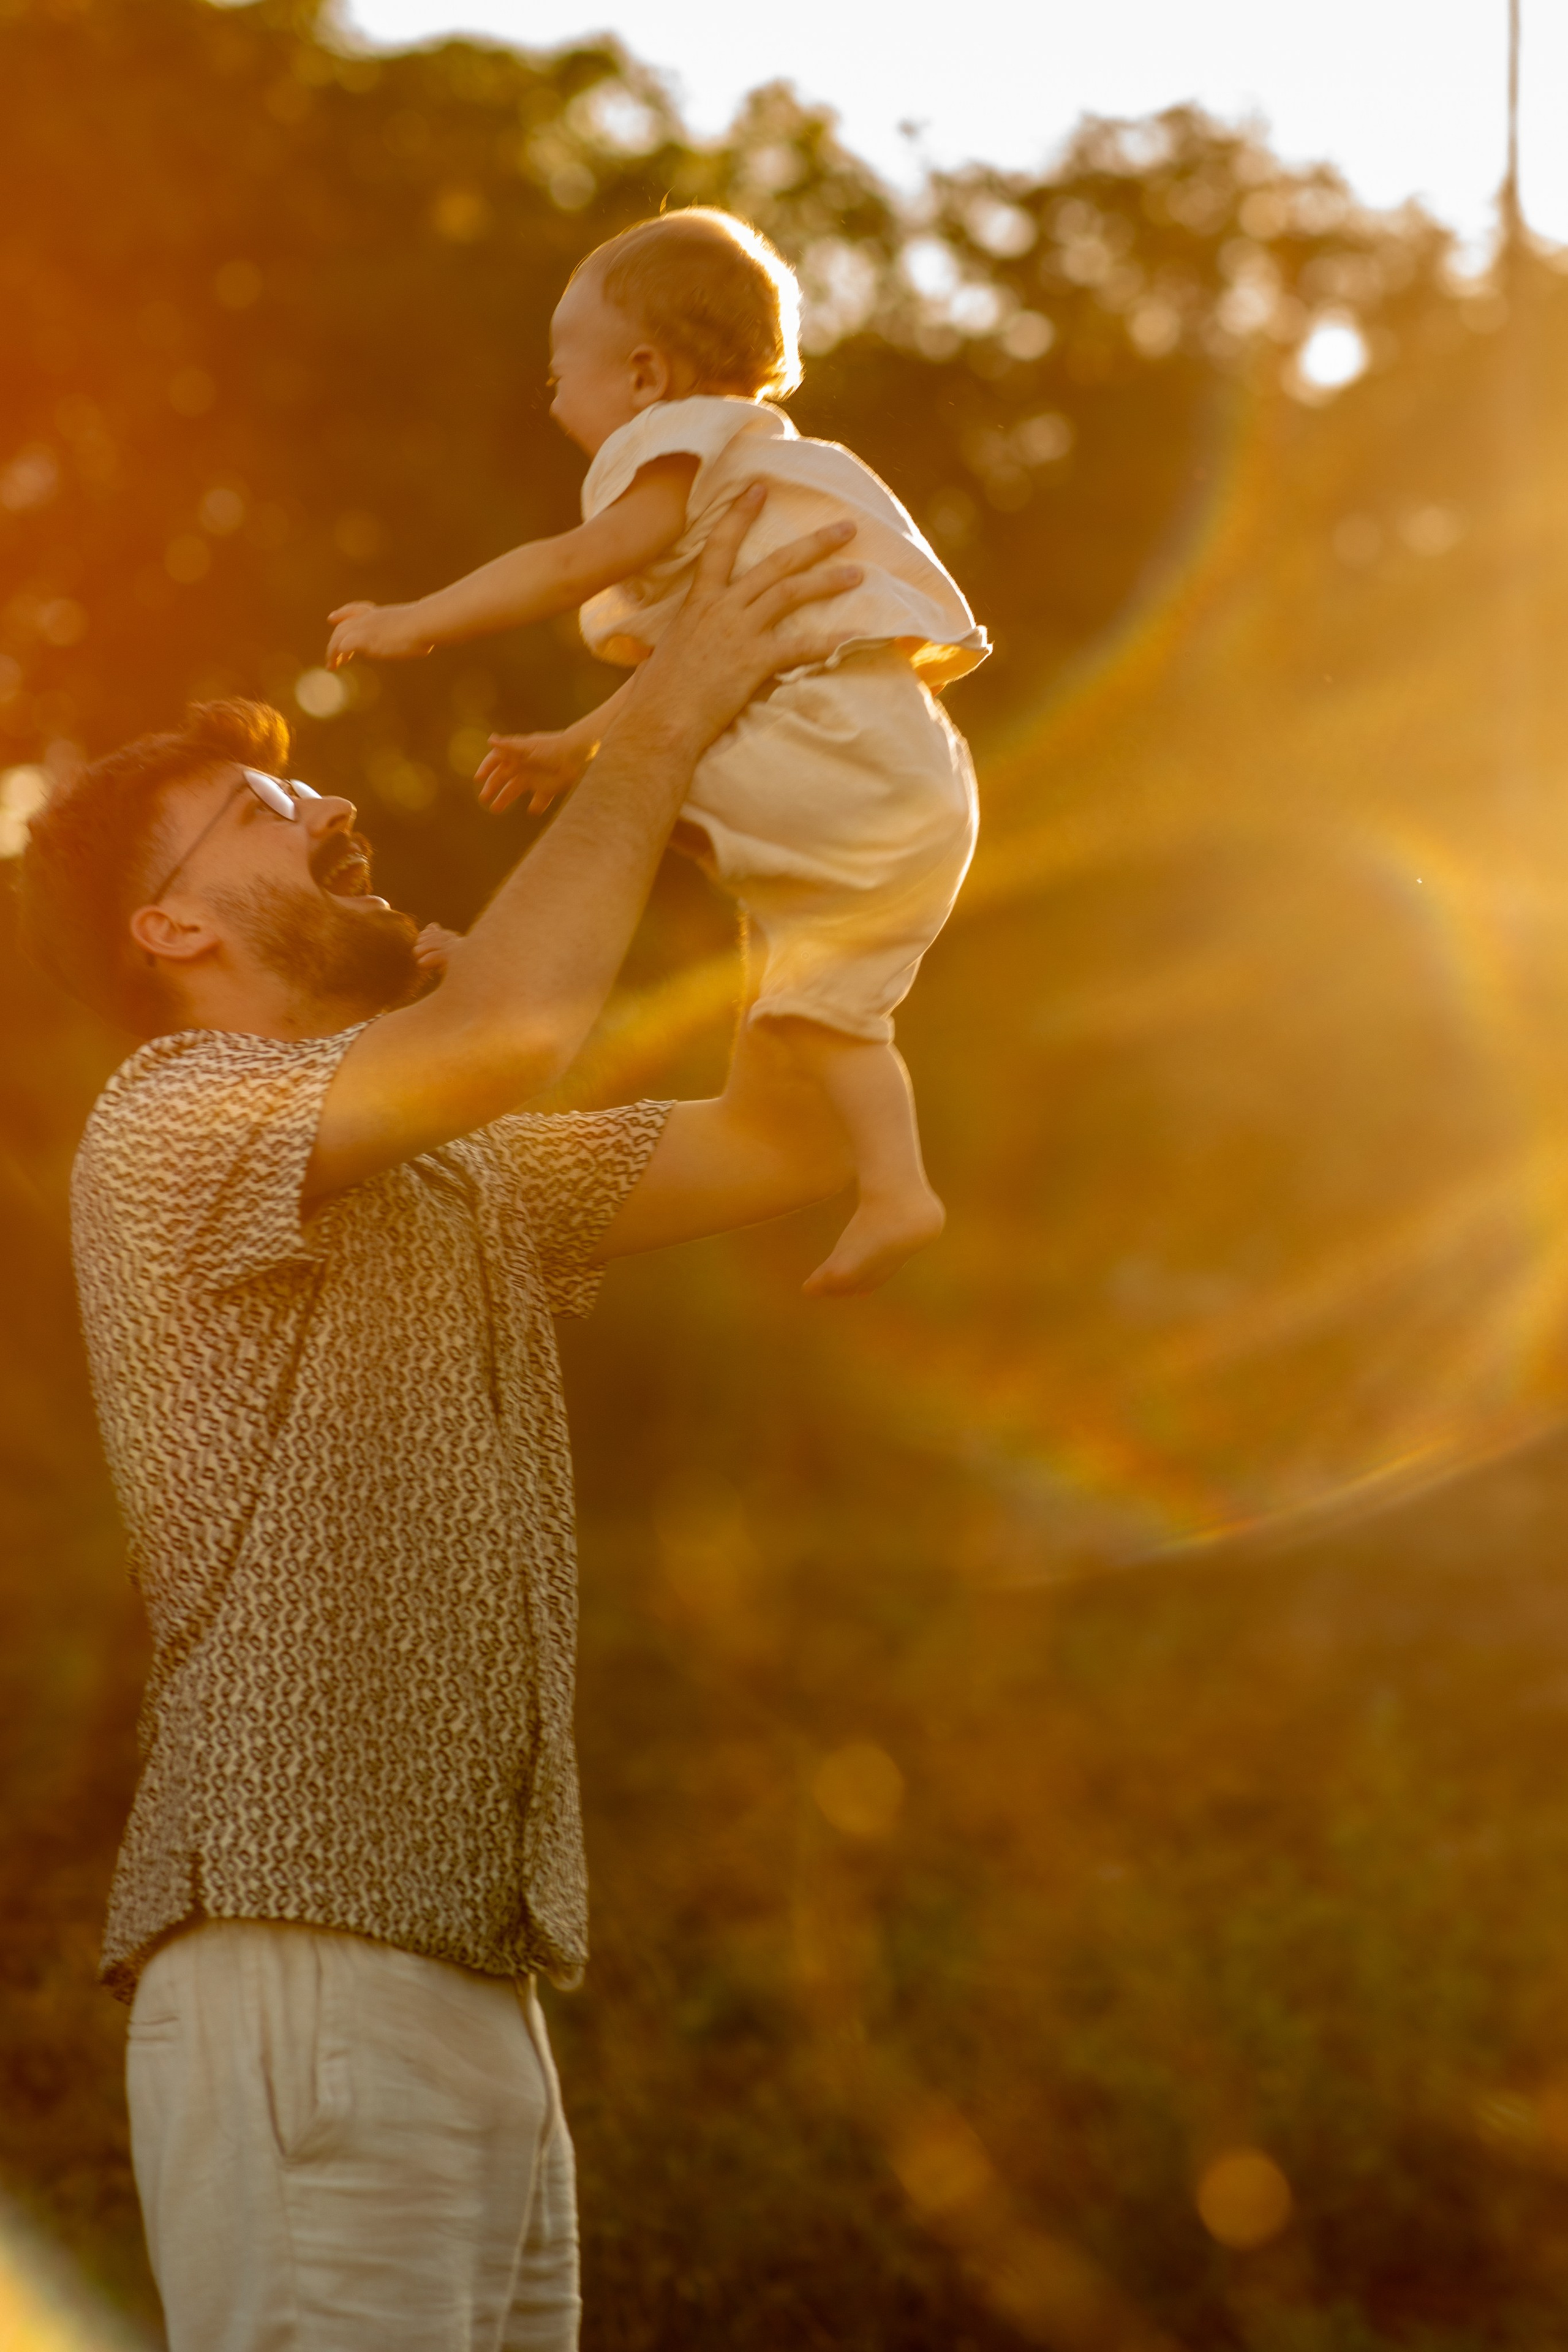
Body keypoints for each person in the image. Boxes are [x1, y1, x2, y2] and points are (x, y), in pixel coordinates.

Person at [18, 494, 861, 2352]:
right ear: (169, 927)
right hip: (304, 1961)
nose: (326, 811)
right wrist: (665, 707)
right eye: (259, 816)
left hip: (474, 1982)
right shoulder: (171, 1119)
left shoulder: (464, 1178)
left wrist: (816, 802)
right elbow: (514, 1025)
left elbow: (787, 1134)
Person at [325, 207, 987, 1298]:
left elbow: (574, 561)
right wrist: (577, 750)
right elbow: (683, 676)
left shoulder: (676, 443)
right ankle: (896, 1184)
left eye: (557, 373)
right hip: (909, 771)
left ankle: (480, 975)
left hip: (835, 746)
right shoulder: (765, 467)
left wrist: (419, 618)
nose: (551, 399)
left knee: (653, 806)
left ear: (643, 375)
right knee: (813, 1008)